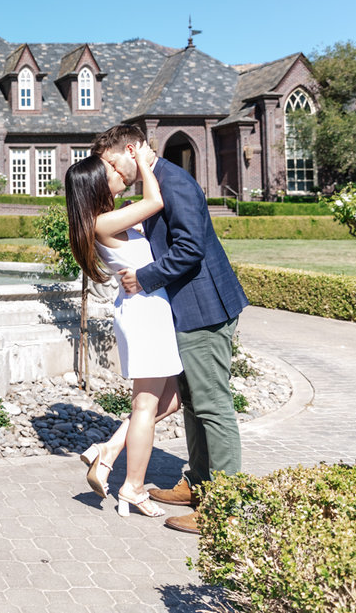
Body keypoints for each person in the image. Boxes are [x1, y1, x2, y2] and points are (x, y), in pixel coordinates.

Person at [93, 124, 249, 534]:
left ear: (131, 149)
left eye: (112, 163)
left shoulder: (173, 182)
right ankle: (198, 485)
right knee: (196, 403)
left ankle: (226, 509)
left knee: (213, 405)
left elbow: (189, 249)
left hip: (204, 309)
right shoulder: (156, 182)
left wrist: (143, 278)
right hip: (186, 310)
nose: (114, 173)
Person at [65, 144, 182, 519]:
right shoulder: (102, 223)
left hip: (148, 309)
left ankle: (109, 450)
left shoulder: (109, 217)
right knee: (146, 405)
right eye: (110, 172)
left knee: (175, 399)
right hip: (144, 312)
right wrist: (147, 164)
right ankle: (132, 486)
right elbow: (154, 200)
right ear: (96, 186)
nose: (118, 175)